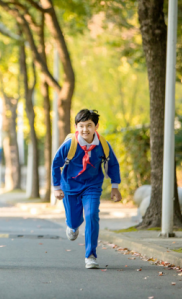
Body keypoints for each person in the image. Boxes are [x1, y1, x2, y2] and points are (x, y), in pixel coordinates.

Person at [52, 109, 122, 269]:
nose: (85, 129)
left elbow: (113, 164)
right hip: (70, 186)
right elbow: (56, 164)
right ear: (76, 127)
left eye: (89, 125)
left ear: (96, 126)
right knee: (74, 220)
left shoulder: (103, 145)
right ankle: (72, 225)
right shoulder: (70, 144)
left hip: (92, 185)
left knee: (91, 215)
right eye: (81, 126)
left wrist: (115, 187)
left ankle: (90, 255)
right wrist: (56, 187)